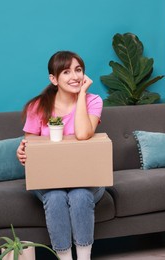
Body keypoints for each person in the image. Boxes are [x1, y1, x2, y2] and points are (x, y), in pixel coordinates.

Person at [16, 50, 105, 260]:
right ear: (53, 79)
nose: (74, 76)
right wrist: (22, 152)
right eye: (66, 72)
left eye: (78, 70)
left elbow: (83, 134)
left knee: (80, 195)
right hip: (49, 182)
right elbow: (31, 147)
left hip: (87, 179)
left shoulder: (93, 101)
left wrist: (82, 94)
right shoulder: (37, 107)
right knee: (55, 197)